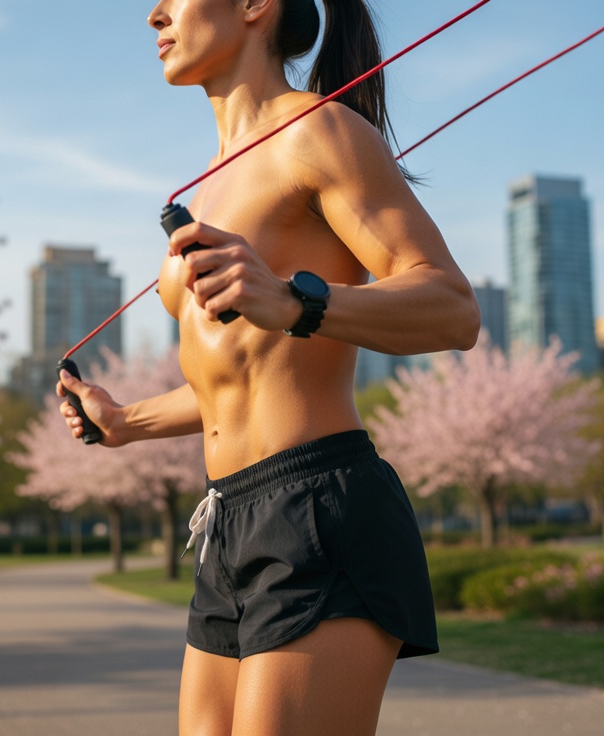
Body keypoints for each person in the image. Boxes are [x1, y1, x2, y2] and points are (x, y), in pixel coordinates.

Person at [57, 0, 480, 733]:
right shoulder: (209, 185)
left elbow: (452, 308)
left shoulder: (317, 131)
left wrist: (294, 301)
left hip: (321, 508)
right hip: (226, 525)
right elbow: (234, 384)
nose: (154, 13)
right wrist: (125, 422)